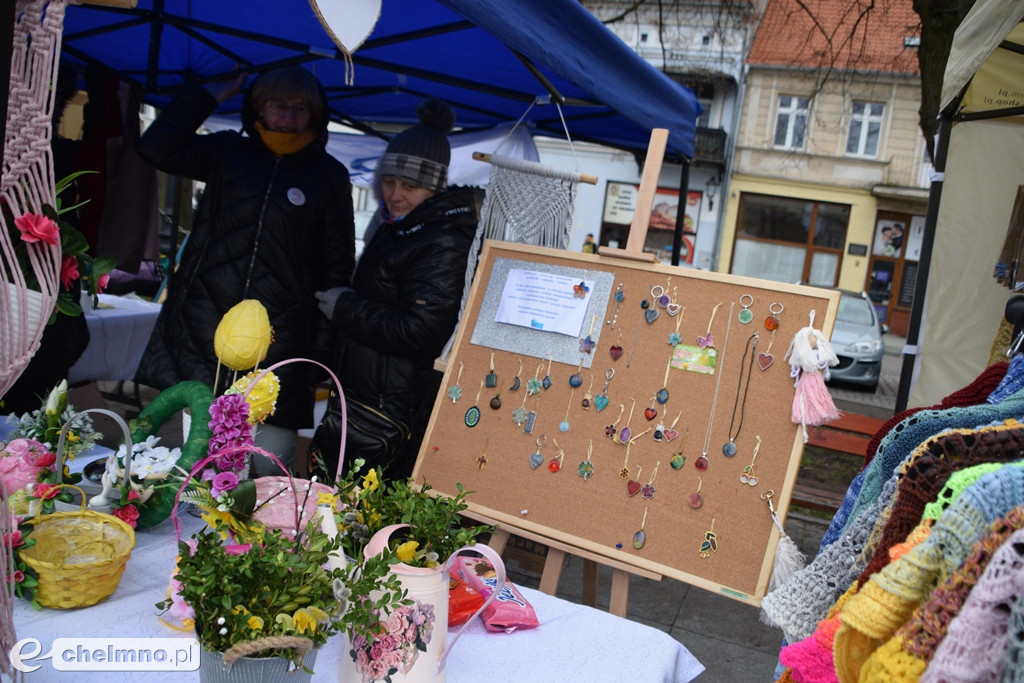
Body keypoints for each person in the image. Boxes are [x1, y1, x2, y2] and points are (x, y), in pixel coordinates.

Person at [134, 66, 356, 474]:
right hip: (203, 321)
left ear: (315, 114)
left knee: (265, 461)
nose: (288, 117)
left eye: (299, 108)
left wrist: (321, 349)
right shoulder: (227, 153)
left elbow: (336, 267)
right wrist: (208, 95)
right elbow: (156, 147)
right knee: (195, 454)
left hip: (282, 337)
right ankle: (190, 533)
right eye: (278, 106)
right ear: (258, 107)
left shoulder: (329, 177)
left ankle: (256, 533)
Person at [311, 97, 479, 482]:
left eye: (411, 186)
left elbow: (421, 330)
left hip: (391, 405)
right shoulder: (403, 225)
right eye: (389, 181)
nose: (396, 194)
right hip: (368, 396)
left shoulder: (444, 240)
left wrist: (345, 309)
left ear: (434, 188)